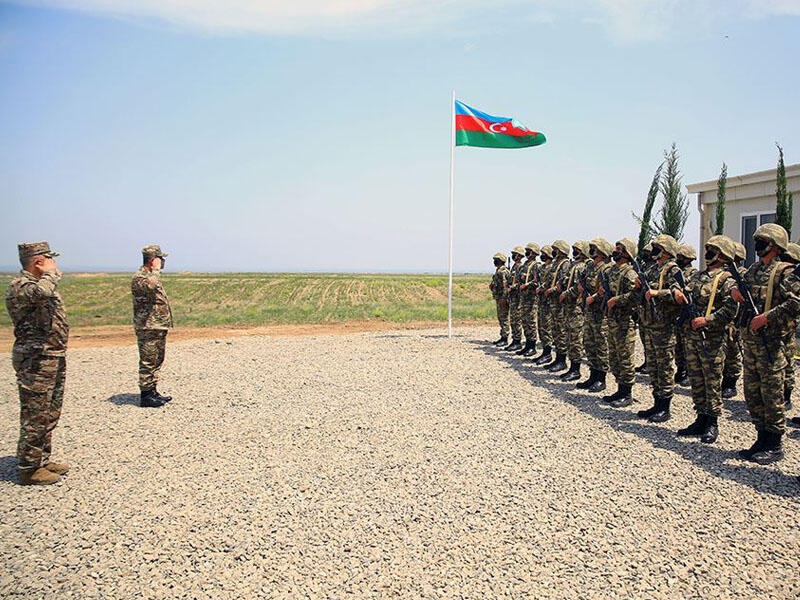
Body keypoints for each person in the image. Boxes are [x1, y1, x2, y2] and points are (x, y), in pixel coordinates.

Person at [732, 224, 800, 464]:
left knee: (772, 394)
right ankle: (761, 437)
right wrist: (734, 291)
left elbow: (795, 303)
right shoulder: (754, 269)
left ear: (775, 246)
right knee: (753, 393)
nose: (758, 245)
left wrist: (766, 317)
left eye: (762, 241)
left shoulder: (786, 272)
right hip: (751, 342)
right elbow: (741, 286)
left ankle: (774, 443)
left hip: (771, 343)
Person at [5, 242, 70, 485]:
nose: (55, 264)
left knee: (50, 410)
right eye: (49, 259)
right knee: (35, 413)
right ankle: (28, 468)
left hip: (52, 355)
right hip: (35, 359)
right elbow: (41, 294)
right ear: (38, 261)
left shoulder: (41, 284)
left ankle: (42, 459)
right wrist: (51, 274)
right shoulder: (20, 286)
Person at [673, 236, 738, 444]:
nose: (708, 253)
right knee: (696, 379)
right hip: (692, 336)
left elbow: (731, 309)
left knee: (711, 380)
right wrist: (677, 293)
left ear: (723, 254)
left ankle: (712, 422)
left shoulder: (727, 279)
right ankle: (700, 418)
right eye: (708, 249)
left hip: (711, 338)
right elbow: (682, 288)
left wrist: (707, 320)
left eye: (713, 250)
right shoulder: (698, 276)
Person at [635, 234, 681, 423]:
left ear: (666, 251)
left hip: (664, 326)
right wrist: (639, 286)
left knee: (664, 367)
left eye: (658, 247)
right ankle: (656, 402)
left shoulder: (673, 270)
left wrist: (657, 292)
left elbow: (679, 294)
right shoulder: (652, 269)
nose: (654, 251)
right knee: (653, 366)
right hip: (649, 323)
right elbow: (641, 293)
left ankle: (665, 407)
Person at [132, 245, 174, 408]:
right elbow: (150, 287)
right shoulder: (140, 277)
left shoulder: (149, 276)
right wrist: (155, 270)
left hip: (157, 325)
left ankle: (153, 390)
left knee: (157, 358)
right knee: (148, 360)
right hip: (147, 326)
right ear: (152, 260)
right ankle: (146, 395)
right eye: (160, 258)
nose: (163, 262)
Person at [601, 238, 639, 407]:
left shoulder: (629, 273)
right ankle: (619, 389)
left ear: (626, 253)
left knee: (625, 358)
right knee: (614, 357)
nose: (615, 251)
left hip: (624, 321)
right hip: (612, 320)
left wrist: (617, 300)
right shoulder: (611, 271)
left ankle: (627, 393)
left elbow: (635, 297)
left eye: (619, 249)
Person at [577, 237, 614, 393]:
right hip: (589, 312)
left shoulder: (607, 268)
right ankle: (593, 375)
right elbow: (583, 282)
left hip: (601, 313)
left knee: (601, 345)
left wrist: (595, 297)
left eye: (595, 248)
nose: (592, 250)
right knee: (589, 343)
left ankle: (601, 379)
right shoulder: (590, 266)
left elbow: (607, 290)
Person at [558, 241, 591, 381]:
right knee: (569, 337)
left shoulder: (582, 266)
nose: (574, 252)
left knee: (576, 338)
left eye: (577, 250)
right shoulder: (574, 265)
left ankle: (575, 369)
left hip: (576, 307)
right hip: (569, 307)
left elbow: (579, 287)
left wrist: (566, 293)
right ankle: (570, 366)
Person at [721, 242, 747, 399]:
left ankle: (730, 383)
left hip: (736, 320)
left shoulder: (743, 273)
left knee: (733, 351)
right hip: (723, 317)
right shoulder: (724, 273)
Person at [543, 239, 571, 373]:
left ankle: (562, 360)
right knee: (555, 330)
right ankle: (557, 359)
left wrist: (552, 290)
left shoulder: (565, 264)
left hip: (559, 304)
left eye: (556, 249)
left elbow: (562, 284)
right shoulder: (556, 264)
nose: (554, 251)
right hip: (553, 303)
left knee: (560, 332)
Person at [674, 244, 697, 386]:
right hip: (677, 313)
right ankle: (680, 369)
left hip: (687, 313)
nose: (678, 259)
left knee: (688, 345)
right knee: (678, 345)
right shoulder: (677, 271)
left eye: (681, 257)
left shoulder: (693, 272)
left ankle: (689, 372)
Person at [517, 243, 541, 357]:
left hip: (531, 299)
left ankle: (532, 346)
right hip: (524, 298)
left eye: (529, 251)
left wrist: (527, 285)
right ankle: (527, 344)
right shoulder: (525, 265)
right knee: (525, 321)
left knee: (531, 322)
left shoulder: (536, 265)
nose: (527, 253)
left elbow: (537, 281)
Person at [532, 245, 554, 364]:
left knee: (547, 328)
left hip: (548, 302)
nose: (542, 255)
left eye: (544, 253)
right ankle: (545, 353)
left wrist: (542, 288)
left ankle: (548, 353)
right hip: (541, 300)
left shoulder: (551, 268)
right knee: (541, 326)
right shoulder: (543, 267)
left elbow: (549, 282)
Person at [505, 246, 526, 351]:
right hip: (513, 297)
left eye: (515, 254)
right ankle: (514, 339)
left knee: (516, 320)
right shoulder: (514, 266)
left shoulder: (521, 267)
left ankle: (517, 341)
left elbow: (521, 283)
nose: (514, 256)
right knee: (513, 319)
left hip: (517, 298)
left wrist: (511, 287)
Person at [489, 252, 511, 346]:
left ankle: (505, 338)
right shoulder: (498, 271)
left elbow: (505, 286)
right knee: (501, 318)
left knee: (504, 318)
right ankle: (502, 336)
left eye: (496, 260)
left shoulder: (503, 271)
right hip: (498, 297)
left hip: (502, 298)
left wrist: (504, 298)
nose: (494, 261)